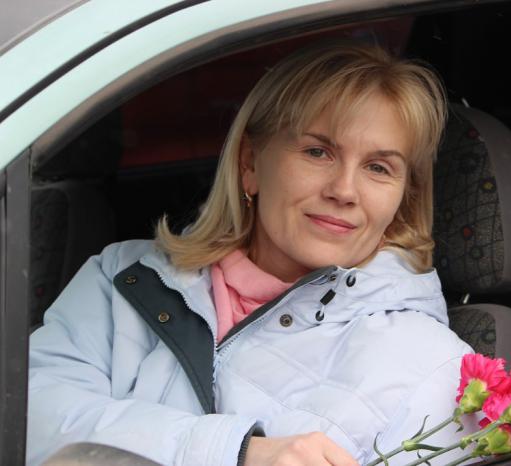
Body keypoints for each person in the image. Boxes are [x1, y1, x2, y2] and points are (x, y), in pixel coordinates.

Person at [27, 43, 479, 466]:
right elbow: (26, 420)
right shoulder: (124, 278)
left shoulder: (436, 369)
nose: (344, 190)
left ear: (402, 196)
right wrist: (236, 452)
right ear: (249, 163)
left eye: (378, 167)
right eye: (318, 152)